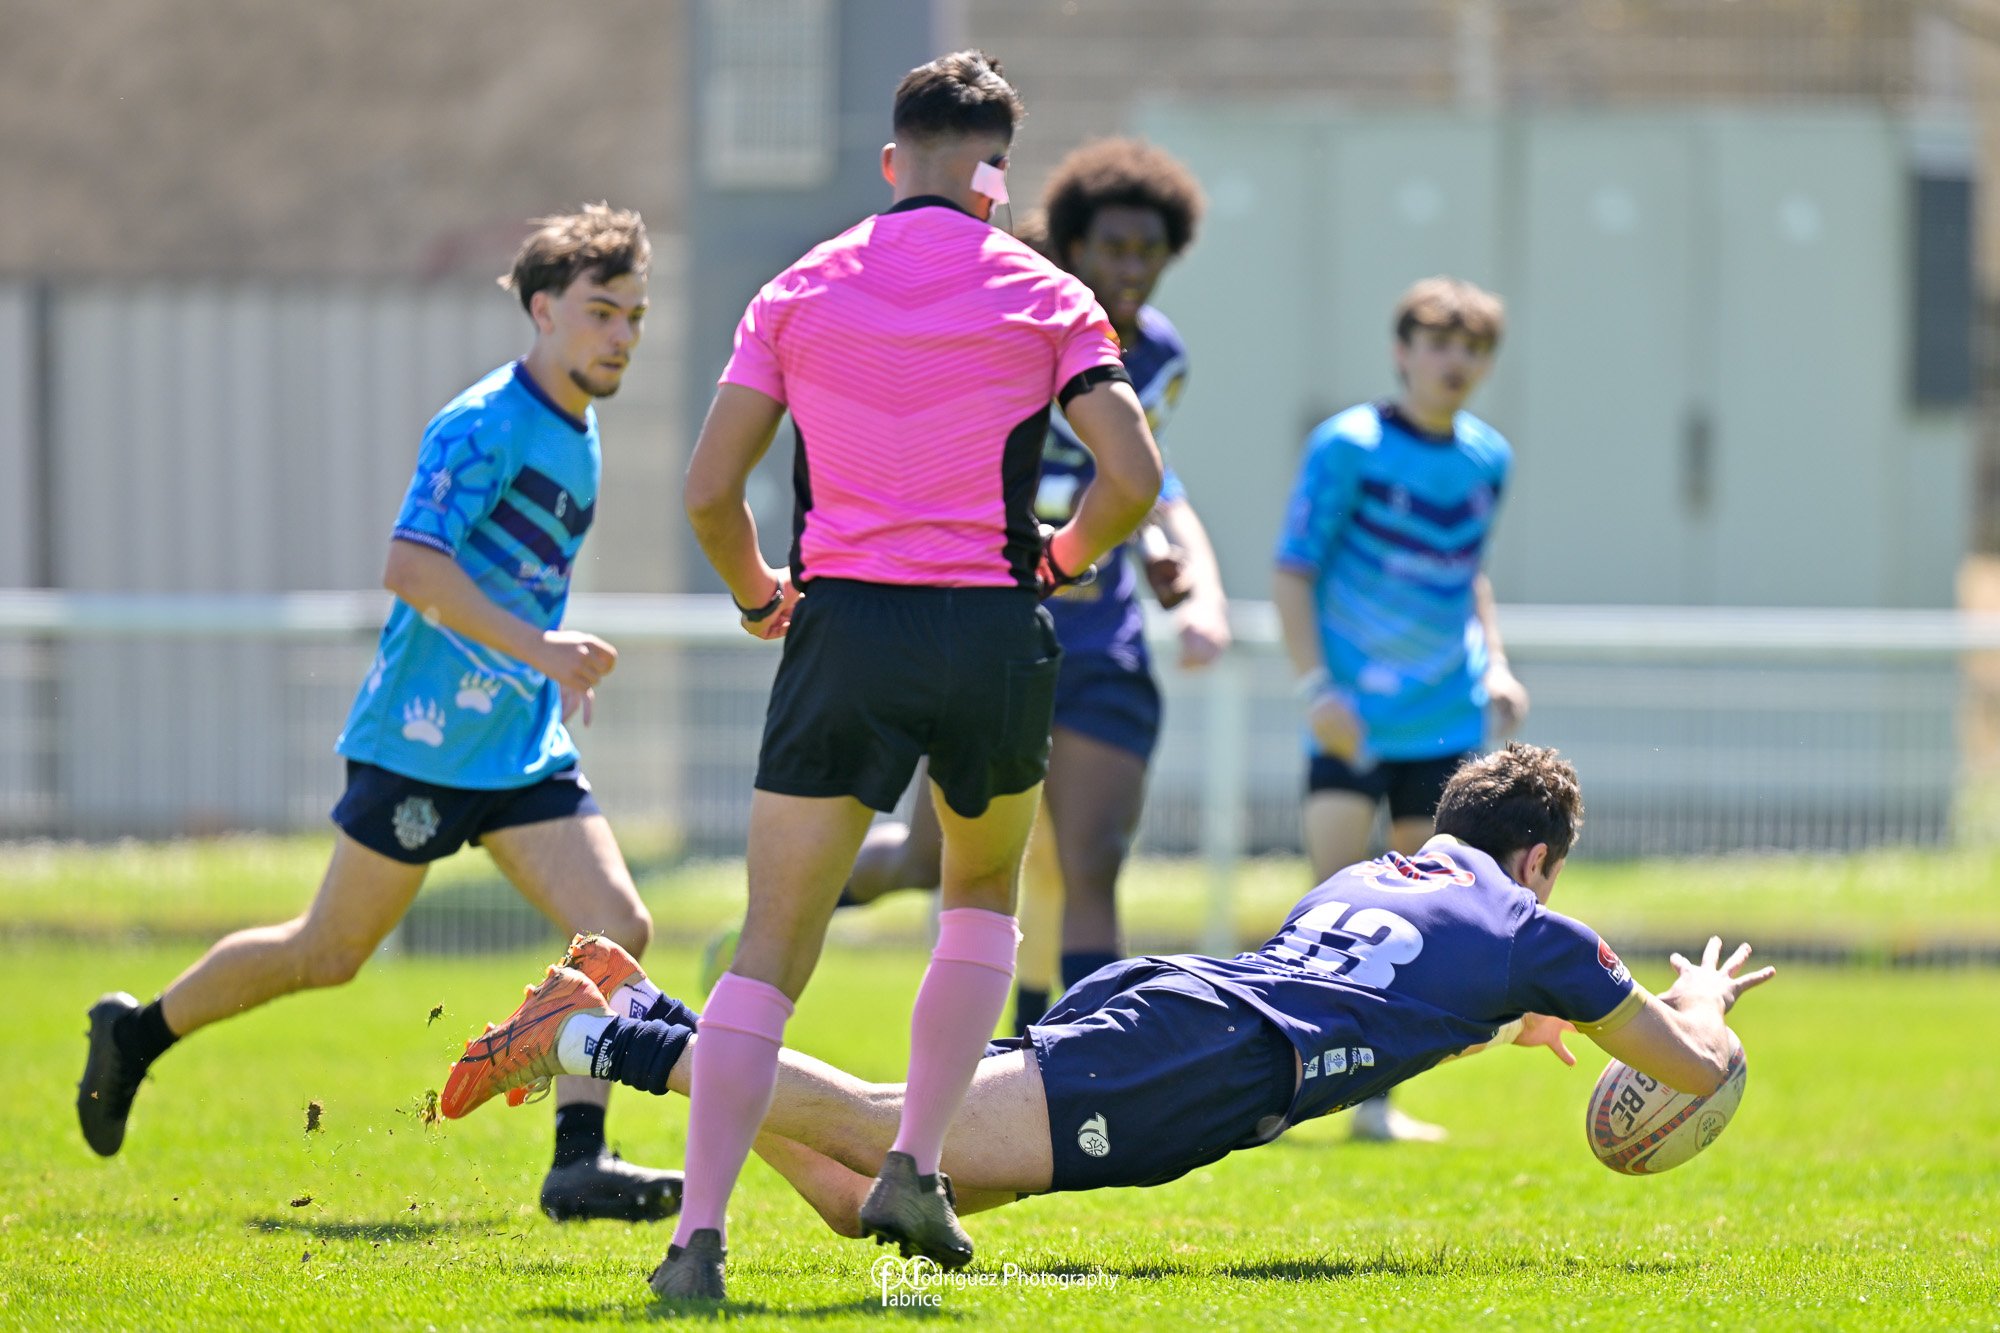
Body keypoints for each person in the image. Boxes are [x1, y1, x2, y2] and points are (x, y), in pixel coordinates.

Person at [441, 744, 1776, 1246]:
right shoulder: (1538, 927)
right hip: (1196, 1066)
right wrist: (1706, 1006)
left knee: (867, 1205)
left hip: (1185, 1013)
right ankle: (593, 1036)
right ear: (1543, 859)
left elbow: (1414, 983)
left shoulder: (1391, 868)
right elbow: (1689, 1066)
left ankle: (651, 1011)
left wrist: (1518, 1014)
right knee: (882, 1129)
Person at [658, 52, 1161, 1300]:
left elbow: (708, 492)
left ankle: (697, 1239)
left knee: (771, 945)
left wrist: (758, 593)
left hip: (845, 633)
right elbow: (1133, 477)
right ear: (996, 180)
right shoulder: (1046, 294)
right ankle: (915, 1166)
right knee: (981, 900)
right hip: (991, 632)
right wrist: (1059, 556)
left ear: (892, 163)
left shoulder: (796, 288)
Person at [75, 204, 682, 1223]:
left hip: (520, 744)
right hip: (423, 743)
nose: (621, 335)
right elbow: (408, 564)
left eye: (634, 316)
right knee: (328, 954)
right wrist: (540, 647)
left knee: (615, 925)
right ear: (541, 309)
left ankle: (578, 1158)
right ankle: (136, 1035)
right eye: (600, 313)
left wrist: (543, 667)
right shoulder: (483, 422)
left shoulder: (582, 430)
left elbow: (516, 581)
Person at [833, 137, 1232, 1032]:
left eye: (1149, 252)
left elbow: (1153, 484)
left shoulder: (1161, 356)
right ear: (1075, 245)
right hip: (995, 626)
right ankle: (793, 906)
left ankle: (1082, 1060)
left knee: (1089, 855)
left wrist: (1184, 574)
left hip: (1103, 642)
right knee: (940, 862)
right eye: (1113, 248)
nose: (1131, 269)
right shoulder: (1015, 321)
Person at [1272, 274, 1531, 1144]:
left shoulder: (1486, 458)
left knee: (1420, 922)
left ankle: (1374, 1103)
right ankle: (1275, 1085)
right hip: (1354, 719)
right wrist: (1317, 688)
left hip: (1445, 719)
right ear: (1403, 351)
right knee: (1331, 909)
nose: (1455, 361)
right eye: (1440, 342)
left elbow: (1470, 575)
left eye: (1474, 347)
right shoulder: (1346, 445)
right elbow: (1294, 567)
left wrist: (1494, 663)